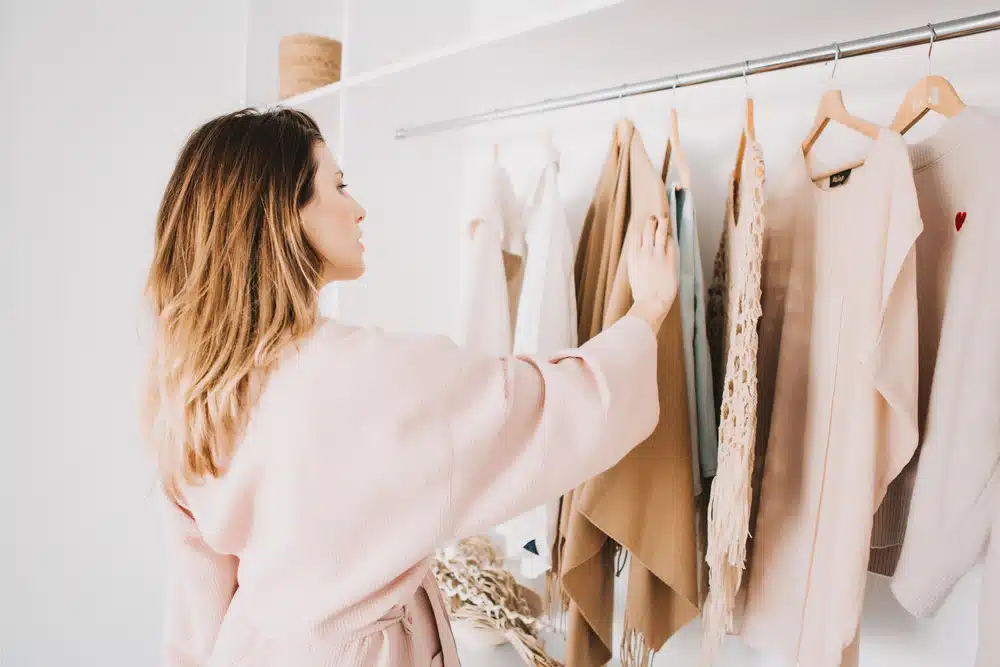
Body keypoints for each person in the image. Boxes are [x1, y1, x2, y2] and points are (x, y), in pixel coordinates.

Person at [143, 107, 679, 667]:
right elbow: (550, 408)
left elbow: (196, 607)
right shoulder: (375, 374)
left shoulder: (198, 388)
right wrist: (647, 311)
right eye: (339, 185)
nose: (358, 208)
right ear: (283, 214)